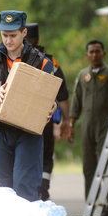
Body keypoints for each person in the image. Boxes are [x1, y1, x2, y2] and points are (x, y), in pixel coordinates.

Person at [0, 10, 55, 202]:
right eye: (4, 35)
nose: (8, 40)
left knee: (24, 187)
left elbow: (51, 96)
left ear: (24, 33)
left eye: (13, 35)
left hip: (28, 133)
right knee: (5, 188)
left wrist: (53, 107)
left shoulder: (41, 62)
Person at [69, 40, 108, 216]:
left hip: (105, 123)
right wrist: (71, 123)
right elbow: (76, 100)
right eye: (91, 52)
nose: (94, 55)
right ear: (87, 55)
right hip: (87, 124)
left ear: (104, 53)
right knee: (88, 165)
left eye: (97, 51)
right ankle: (91, 202)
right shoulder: (82, 74)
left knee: (107, 164)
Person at [24, 22, 71, 201]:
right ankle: (42, 190)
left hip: (20, 116)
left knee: (25, 152)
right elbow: (63, 93)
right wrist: (66, 120)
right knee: (45, 153)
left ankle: (26, 190)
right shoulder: (51, 62)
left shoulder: (15, 59)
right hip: (45, 117)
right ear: (39, 39)